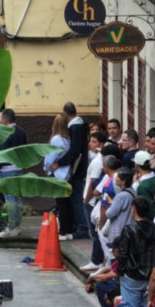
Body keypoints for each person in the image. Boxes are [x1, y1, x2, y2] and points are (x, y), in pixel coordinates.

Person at [116, 197, 155, 307]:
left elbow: (123, 253)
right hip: (150, 274)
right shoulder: (154, 228)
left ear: (134, 209)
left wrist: (120, 271)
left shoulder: (129, 229)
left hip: (132, 275)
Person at [53, 102, 90, 239]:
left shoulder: (74, 128)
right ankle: (78, 225)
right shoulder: (79, 126)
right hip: (79, 168)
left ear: (66, 114)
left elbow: (74, 151)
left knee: (76, 198)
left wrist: (59, 163)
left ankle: (82, 227)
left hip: (76, 170)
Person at [0, 109, 27, 238]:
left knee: (10, 199)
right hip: (18, 168)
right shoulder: (21, 131)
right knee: (17, 198)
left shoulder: (6, 132)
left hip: (7, 169)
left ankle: (11, 227)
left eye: (1, 118)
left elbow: (2, 152)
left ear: (6, 120)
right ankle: (17, 226)